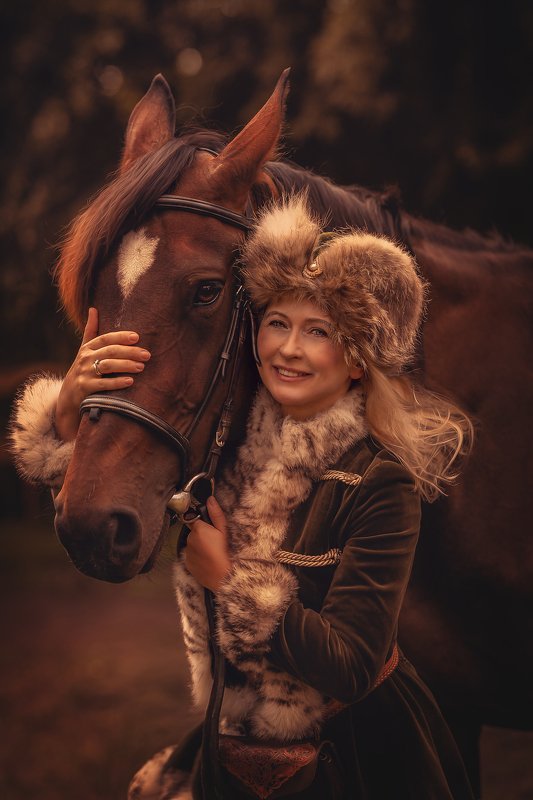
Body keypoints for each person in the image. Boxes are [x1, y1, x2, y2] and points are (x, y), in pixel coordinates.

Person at [11, 196, 475, 799]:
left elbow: (354, 666)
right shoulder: (229, 452)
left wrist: (229, 582)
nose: (287, 348)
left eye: (319, 333)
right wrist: (71, 417)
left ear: (357, 360)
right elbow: (109, 508)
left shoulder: (379, 482)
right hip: (235, 750)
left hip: (359, 753)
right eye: (277, 322)